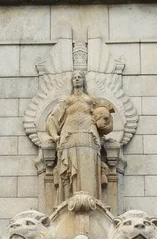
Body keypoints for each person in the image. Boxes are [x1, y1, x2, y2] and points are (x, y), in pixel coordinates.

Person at [46, 71, 114, 201]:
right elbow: (52, 120)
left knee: (89, 164)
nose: (77, 79)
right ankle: (68, 198)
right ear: (72, 81)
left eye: (80, 77)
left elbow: (105, 118)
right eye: (75, 77)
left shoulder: (92, 101)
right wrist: (55, 136)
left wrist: (104, 120)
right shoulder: (66, 101)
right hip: (69, 134)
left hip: (89, 133)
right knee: (70, 166)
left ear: (84, 81)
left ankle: (91, 197)